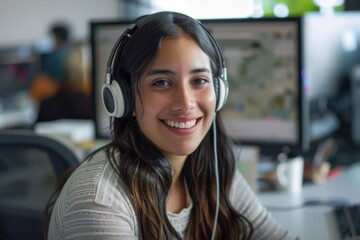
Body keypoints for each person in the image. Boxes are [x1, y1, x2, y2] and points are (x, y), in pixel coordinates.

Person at [45, 11, 296, 240]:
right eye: (162, 83)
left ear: (219, 92)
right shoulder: (98, 201)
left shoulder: (212, 167)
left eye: (199, 81)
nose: (185, 103)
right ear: (124, 98)